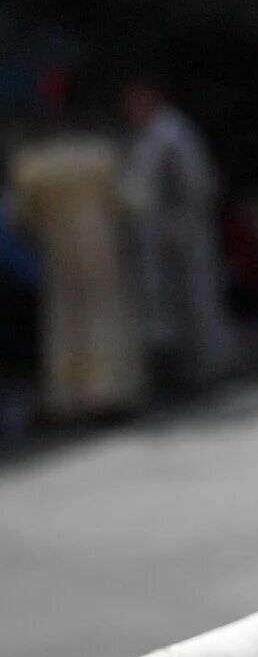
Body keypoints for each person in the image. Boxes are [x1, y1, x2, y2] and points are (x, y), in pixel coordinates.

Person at [7, 98, 146, 420]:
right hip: (99, 247)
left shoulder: (32, 164)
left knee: (67, 321)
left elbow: (21, 216)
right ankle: (112, 391)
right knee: (106, 319)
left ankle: (74, 397)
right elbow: (123, 201)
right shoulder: (99, 156)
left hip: (57, 251)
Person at [119, 76, 239, 390]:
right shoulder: (143, 136)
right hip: (158, 238)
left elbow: (197, 184)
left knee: (199, 303)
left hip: (185, 234)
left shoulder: (173, 133)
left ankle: (214, 368)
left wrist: (179, 224)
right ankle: (190, 372)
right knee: (172, 308)